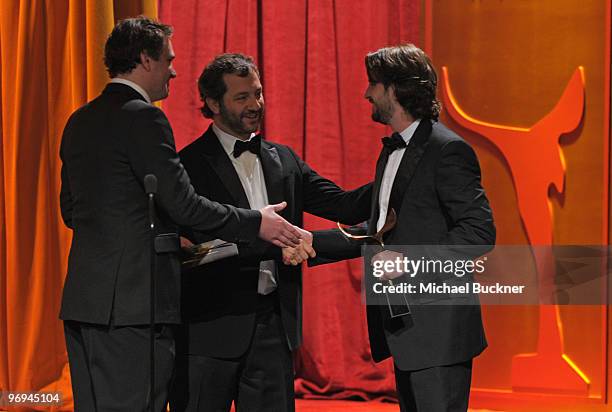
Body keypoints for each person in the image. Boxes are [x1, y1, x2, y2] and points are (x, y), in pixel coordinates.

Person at [59, 17, 303, 412]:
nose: (173, 69)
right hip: (138, 306)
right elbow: (184, 204)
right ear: (145, 59)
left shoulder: (79, 119)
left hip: (85, 301)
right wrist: (256, 221)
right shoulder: (145, 117)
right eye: (168, 59)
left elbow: (72, 211)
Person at [170, 53, 372, 412]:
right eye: (242, 97)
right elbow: (185, 250)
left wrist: (396, 175)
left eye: (258, 93)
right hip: (208, 329)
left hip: (273, 327)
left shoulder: (284, 159)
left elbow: (344, 206)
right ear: (213, 103)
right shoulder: (187, 166)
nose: (255, 105)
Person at [362, 44, 495, 412]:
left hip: (439, 330)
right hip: (406, 328)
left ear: (396, 89)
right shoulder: (393, 149)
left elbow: (479, 232)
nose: (367, 93)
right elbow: (381, 228)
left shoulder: (448, 150)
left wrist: (408, 263)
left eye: (374, 84)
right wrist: (308, 242)